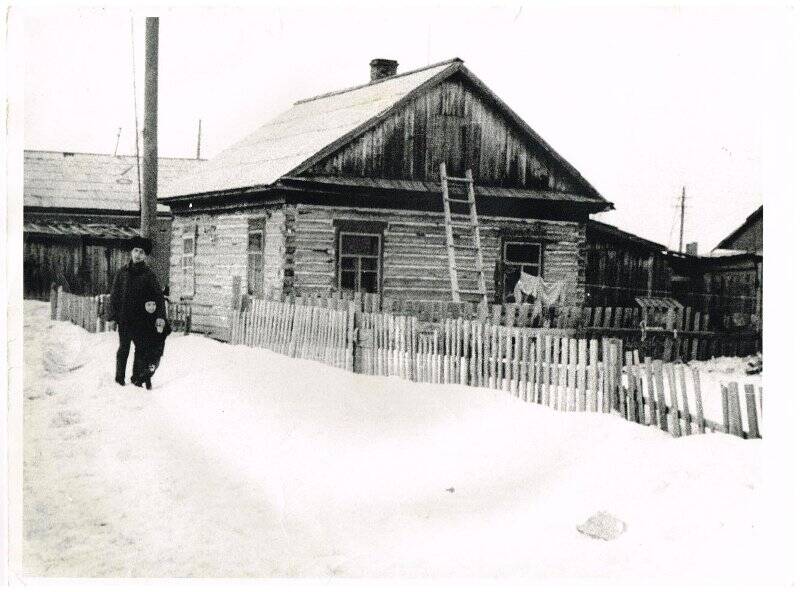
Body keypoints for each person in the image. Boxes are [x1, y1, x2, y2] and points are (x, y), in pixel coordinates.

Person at [108, 237, 166, 387]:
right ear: (131, 252)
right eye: (135, 251)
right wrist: (113, 317)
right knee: (123, 348)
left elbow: (158, 298)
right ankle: (119, 378)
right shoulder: (122, 273)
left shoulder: (149, 275)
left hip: (142, 320)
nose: (138, 254)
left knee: (140, 349)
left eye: (141, 252)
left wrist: (160, 316)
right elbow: (114, 296)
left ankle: (136, 377)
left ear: (145, 255)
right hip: (124, 319)